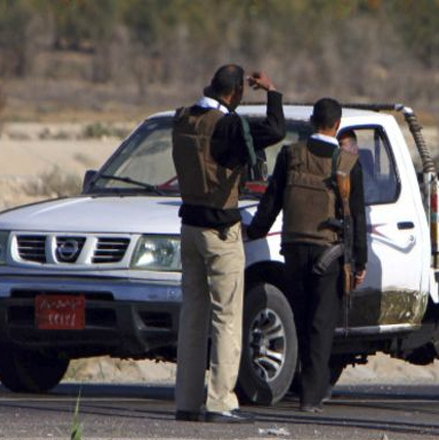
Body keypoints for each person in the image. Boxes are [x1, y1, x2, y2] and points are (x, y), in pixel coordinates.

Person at [172, 64, 285, 423]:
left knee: (192, 317)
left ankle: (187, 402)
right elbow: (276, 130)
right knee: (226, 318)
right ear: (236, 91)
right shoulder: (228, 127)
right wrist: (271, 92)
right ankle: (220, 401)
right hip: (220, 230)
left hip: (189, 227)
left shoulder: (183, 118)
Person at [247, 98, 367, 412]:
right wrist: (360, 261)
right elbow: (357, 218)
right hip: (329, 254)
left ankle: (297, 384)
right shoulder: (348, 163)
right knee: (321, 324)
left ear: (313, 121)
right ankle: (311, 396)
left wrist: (254, 232)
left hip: (294, 250)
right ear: (338, 125)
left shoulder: (291, 154)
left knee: (299, 318)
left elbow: (271, 201)